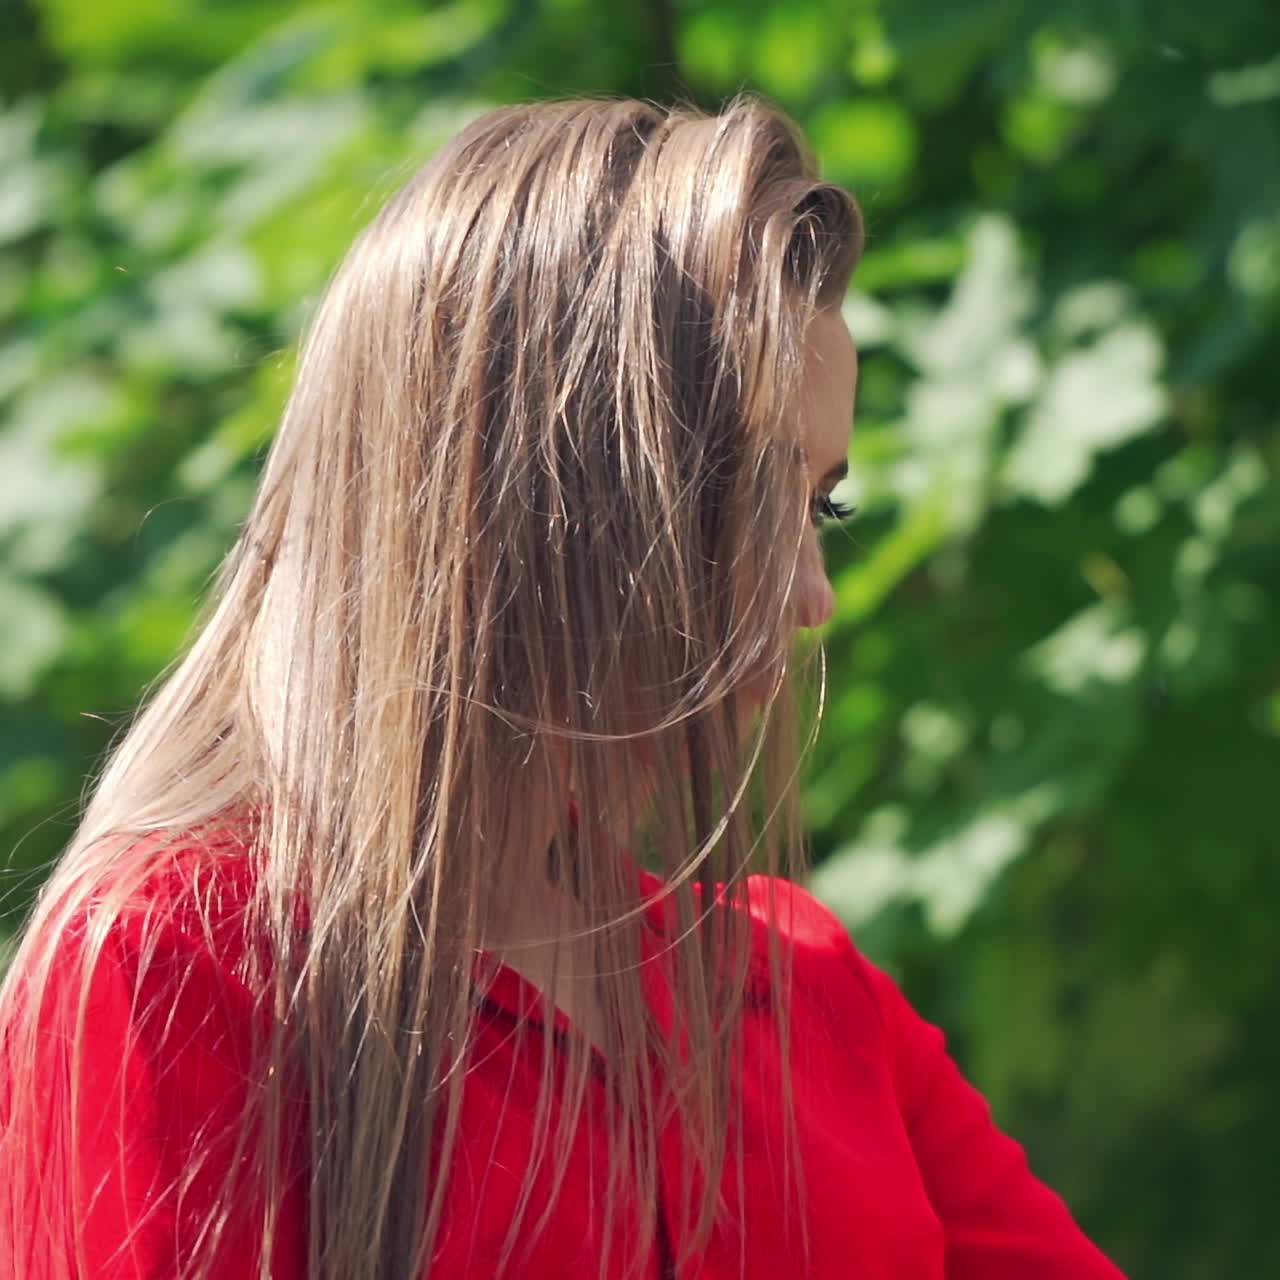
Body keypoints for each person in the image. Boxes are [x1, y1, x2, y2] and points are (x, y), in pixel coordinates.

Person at [0, 97, 1126, 1279]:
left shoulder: (802, 987)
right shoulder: (176, 964)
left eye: (820, 504)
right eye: (752, 496)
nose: (812, 594)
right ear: (545, 505)